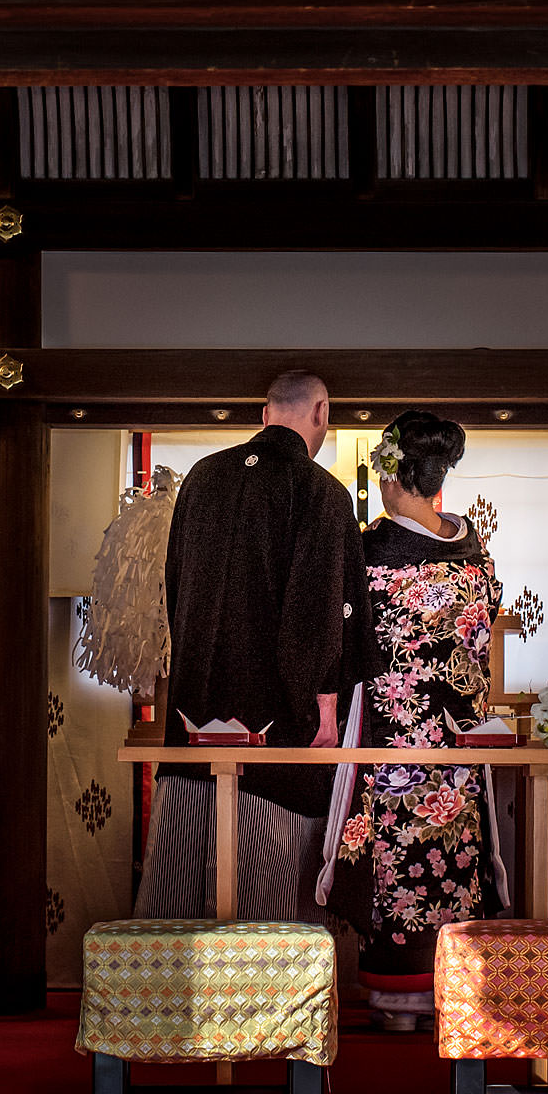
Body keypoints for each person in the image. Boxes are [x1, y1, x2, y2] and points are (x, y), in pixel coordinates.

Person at [135, 369, 367, 923]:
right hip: (275, 738)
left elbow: (176, 588)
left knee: (178, 892)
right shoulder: (321, 493)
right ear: (321, 415)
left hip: (193, 725)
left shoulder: (202, 477)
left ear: (264, 415)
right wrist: (325, 706)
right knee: (263, 904)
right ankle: (261, 1008)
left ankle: (160, 1003)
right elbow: (319, 615)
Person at [318, 412, 508, 1031]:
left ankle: (397, 1001)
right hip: (455, 743)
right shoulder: (473, 552)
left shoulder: (370, 552)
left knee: (393, 860)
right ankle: (449, 993)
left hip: (390, 740)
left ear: (394, 476)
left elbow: (344, 641)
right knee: (451, 858)